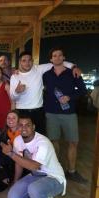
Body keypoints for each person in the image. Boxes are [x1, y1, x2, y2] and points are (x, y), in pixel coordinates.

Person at [1, 114, 66, 198]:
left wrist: (11, 154)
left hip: (54, 178)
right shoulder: (17, 140)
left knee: (34, 188)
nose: (24, 128)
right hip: (36, 176)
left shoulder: (42, 142)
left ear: (34, 127)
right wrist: (16, 181)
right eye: (21, 125)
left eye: (28, 125)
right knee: (13, 197)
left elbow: (34, 166)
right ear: (18, 127)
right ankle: (43, 197)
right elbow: (19, 162)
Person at [43, 47, 87, 183]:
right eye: (54, 56)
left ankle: (72, 171)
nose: (57, 57)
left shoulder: (72, 73)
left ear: (64, 58)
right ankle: (56, 169)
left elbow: (83, 90)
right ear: (51, 59)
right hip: (51, 113)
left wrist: (70, 97)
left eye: (59, 55)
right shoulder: (45, 75)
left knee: (73, 142)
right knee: (53, 142)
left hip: (69, 113)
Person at [9, 51, 78, 134]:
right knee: (23, 135)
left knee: (40, 135)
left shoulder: (39, 69)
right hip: (22, 111)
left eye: (29, 60)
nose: (27, 63)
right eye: (24, 61)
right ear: (20, 62)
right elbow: (12, 97)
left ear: (33, 61)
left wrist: (73, 67)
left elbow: (57, 62)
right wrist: (17, 92)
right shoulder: (15, 76)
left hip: (38, 111)